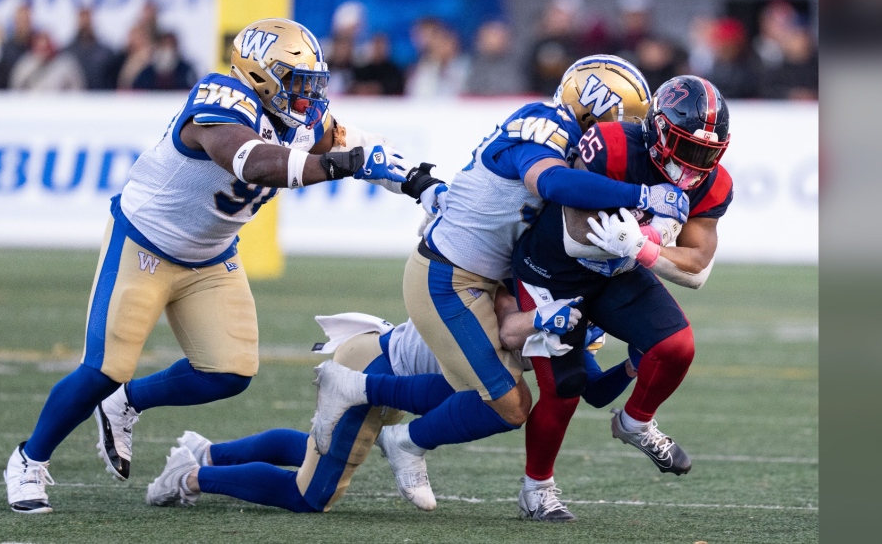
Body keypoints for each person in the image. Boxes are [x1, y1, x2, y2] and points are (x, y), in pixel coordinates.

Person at [3, 18, 443, 514]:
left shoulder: (299, 118)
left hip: (211, 254)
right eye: (297, 83)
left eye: (312, 85)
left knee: (229, 370)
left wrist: (418, 183)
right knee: (105, 368)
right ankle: (28, 460)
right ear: (261, 75)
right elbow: (252, 161)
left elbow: (360, 146)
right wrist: (334, 166)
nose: (307, 96)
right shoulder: (219, 98)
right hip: (145, 242)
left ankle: (128, 402)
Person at [310, 54, 688, 511]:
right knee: (508, 404)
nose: (622, 135)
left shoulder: (574, 156)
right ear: (594, 105)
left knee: (480, 391)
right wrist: (643, 195)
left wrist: (632, 361)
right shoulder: (544, 124)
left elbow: (589, 387)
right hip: (448, 274)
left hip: (495, 277)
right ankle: (390, 425)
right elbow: (550, 182)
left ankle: (378, 415)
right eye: (621, 121)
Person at [509, 74, 734, 521]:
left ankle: (636, 421)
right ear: (659, 131)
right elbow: (575, 234)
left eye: (707, 153)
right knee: (564, 388)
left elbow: (697, 268)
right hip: (552, 271)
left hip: (619, 270)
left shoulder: (714, 183)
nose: (695, 163)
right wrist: (642, 231)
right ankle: (536, 489)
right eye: (687, 147)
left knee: (676, 346)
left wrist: (644, 247)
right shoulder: (613, 143)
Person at [143, 287, 588, 512]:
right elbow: (509, 333)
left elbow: (584, 382)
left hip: (388, 362)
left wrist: (638, 364)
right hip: (374, 364)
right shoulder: (510, 298)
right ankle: (192, 476)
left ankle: (209, 452)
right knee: (311, 495)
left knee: (315, 449)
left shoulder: (545, 306)